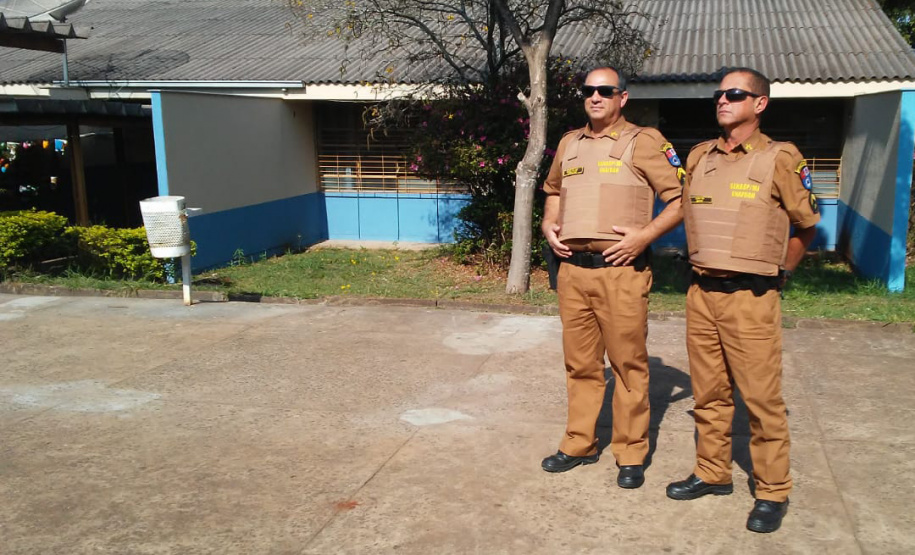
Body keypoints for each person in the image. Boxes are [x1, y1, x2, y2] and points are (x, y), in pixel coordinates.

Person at [666, 67, 820, 533]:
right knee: (709, 394)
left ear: (759, 103)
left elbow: (807, 224)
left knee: (761, 399)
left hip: (751, 298)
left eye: (735, 94)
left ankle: (773, 490)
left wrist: (783, 273)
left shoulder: (780, 158)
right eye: (719, 94)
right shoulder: (697, 157)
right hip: (702, 294)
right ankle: (713, 473)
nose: (723, 100)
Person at [540, 66, 684, 489]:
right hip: (573, 273)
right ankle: (579, 444)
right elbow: (552, 191)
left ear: (623, 97)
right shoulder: (569, 142)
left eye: (605, 90)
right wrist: (550, 223)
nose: (595, 96)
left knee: (628, 367)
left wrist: (645, 237)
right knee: (581, 366)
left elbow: (679, 199)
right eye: (589, 90)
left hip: (621, 273)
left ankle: (630, 452)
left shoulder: (644, 141)